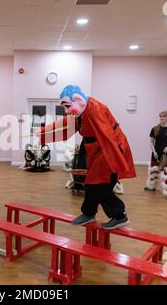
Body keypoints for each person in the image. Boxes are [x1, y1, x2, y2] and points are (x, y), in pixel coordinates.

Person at [39, 85, 136, 229]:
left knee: (101, 185)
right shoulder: (82, 111)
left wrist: (115, 159)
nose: (66, 111)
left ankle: (119, 216)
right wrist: (43, 133)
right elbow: (66, 125)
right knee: (91, 182)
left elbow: (108, 136)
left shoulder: (95, 109)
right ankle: (88, 213)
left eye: (67, 106)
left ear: (78, 100)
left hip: (108, 148)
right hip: (95, 148)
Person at [144, 111, 167, 202]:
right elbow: (151, 142)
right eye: (160, 116)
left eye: (163, 116)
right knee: (154, 170)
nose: (161, 118)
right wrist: (154, 151)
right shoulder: (155, 128)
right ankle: (151, 186)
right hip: (156, 154)